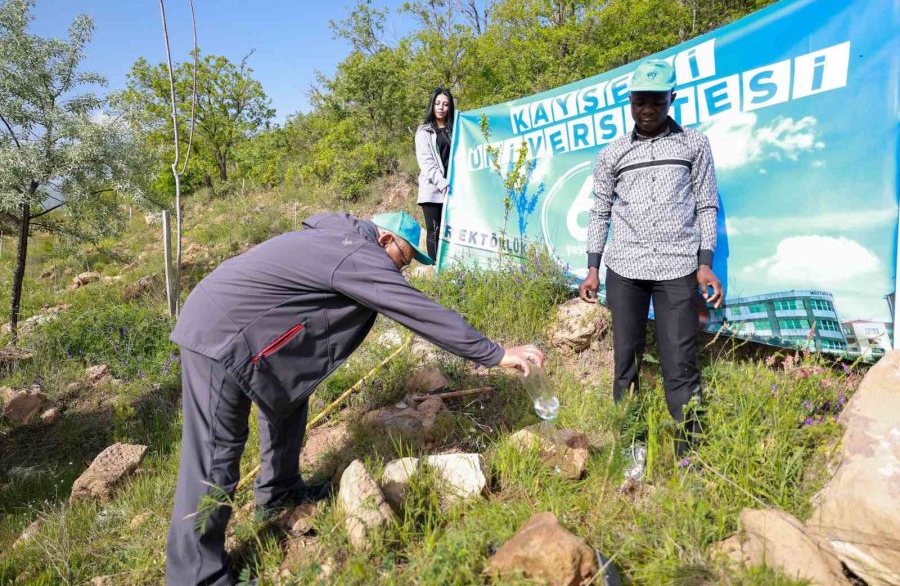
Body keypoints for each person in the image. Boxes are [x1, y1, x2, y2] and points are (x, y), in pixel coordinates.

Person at [166, 210, 545, 586]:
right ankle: (195, 575)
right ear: (385, 241)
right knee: (215, 456)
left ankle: (279, 492)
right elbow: (415, 308)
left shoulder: (342, 241)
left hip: (249, 331)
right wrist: (493, 353)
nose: (399, 272)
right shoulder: (355, 253)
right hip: (219, 334)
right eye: (403, 260)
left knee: (290, 397)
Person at [578, 59, 724, 469]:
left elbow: (706, 204)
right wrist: (592, 267)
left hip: (678, 267)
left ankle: (689, 457)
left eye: (656, 101)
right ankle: (632, 449)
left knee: (681, 365)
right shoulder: (613, 153)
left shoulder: (694, 144)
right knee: (626, 362)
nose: (647, 109)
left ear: (671, 99)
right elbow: (600, 211)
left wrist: (705, 262)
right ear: (629, 102)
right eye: (639, 101)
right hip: (624, 269)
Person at [415, 87, 455, 261]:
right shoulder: (423, 132)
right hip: (433, 190)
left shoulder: (456, 129)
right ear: (432, 105)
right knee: (435, 232)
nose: (441, 107)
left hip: (453, 189)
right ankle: (435, 271)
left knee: (453, 231)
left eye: (445, 104)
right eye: (438, 103)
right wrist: (441, 183)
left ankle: (451, 268)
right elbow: (426, 163)